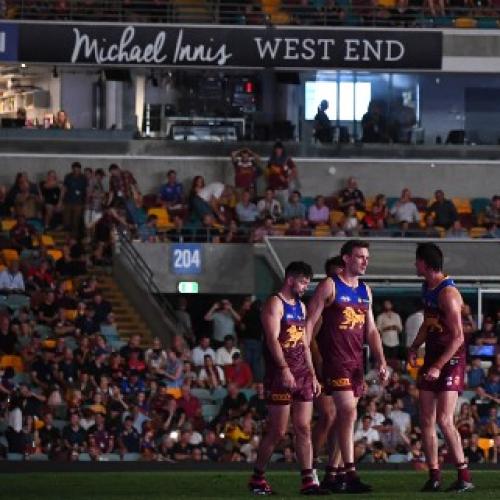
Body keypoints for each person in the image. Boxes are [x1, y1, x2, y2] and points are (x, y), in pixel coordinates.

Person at [306, 240, 387, 493]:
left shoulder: (365, 290)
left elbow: (371, 330)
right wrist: (306, 363)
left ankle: (332, 474)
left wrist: (381, 360)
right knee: (347, 412)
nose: (365, 261)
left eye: (367, 257)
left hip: (356, 363)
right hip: (334, 360)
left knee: (346, 417)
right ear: (346, 259)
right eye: (360, 256)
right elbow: (308, 324)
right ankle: (350, 473)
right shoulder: (330, 285)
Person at [249, 261, 323, 495]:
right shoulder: (274, 303)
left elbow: (304, 343)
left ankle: (308, 480)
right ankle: (258, 477)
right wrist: (283, 369)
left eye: (307, 283)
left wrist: (312, 374)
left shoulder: (300, 307)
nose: (305, 287)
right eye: (302, 282)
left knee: (303, 427)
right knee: (278, 431)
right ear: (290, 279)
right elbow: (272, 340)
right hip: (280, 374)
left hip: (302, 372)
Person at [408, 242, 474, 492]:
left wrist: (437, 365)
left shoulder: (448, 293)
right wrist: (415, 346)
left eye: (417, 261)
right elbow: (428, 322)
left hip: (451, 360)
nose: (415, 265)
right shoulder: (427, 286)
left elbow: (458, 336)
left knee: (445, 419)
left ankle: (464, 475)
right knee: (426, 419)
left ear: (424, 263)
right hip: (434, 358)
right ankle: (434, 475)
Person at [310, 255, 344, 489]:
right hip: (324, 366)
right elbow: (308, 335)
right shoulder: (324, 301)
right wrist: (318, 359)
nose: (336, 278)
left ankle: (336, 469)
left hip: (345, 364)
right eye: (332, 274)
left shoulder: (352, 298)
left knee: (344, 418)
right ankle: (310, 461)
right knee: (329, 416)